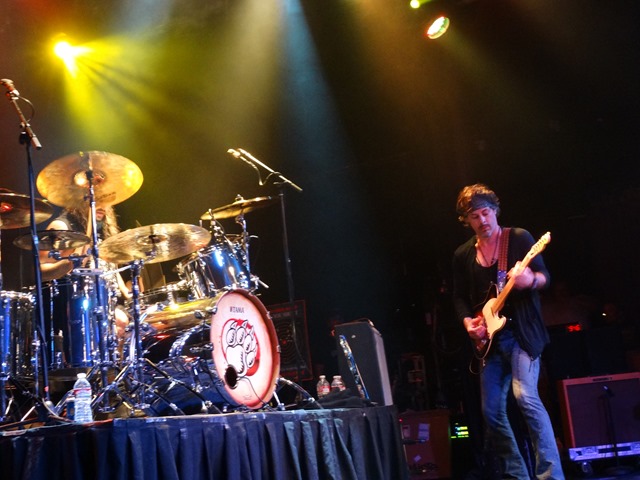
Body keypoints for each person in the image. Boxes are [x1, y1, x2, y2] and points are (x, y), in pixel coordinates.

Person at [451, 184, 564, 479]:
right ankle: (517, 474)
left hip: (521, 334)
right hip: (490, 341)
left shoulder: (518, 238)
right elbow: (459, 297)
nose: (482, 220)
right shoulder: (463, 255)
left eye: (485, 213)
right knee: (491, 412)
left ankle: (551, 475)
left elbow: (545, 277)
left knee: (525, 396)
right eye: (474, 216)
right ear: (467, 220)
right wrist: (468, 322)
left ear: (495, 210)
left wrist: (530, 280)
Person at [39, 205, 130, 340]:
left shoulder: (103, 230)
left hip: (103, 301)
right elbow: (41, 270)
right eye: (96, 199)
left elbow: (110, 267)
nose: (101, 205)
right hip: (71, 301)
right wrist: (71, 261)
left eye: (105, 200)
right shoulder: (62, 226)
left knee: (124, 323)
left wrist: (129, 294)